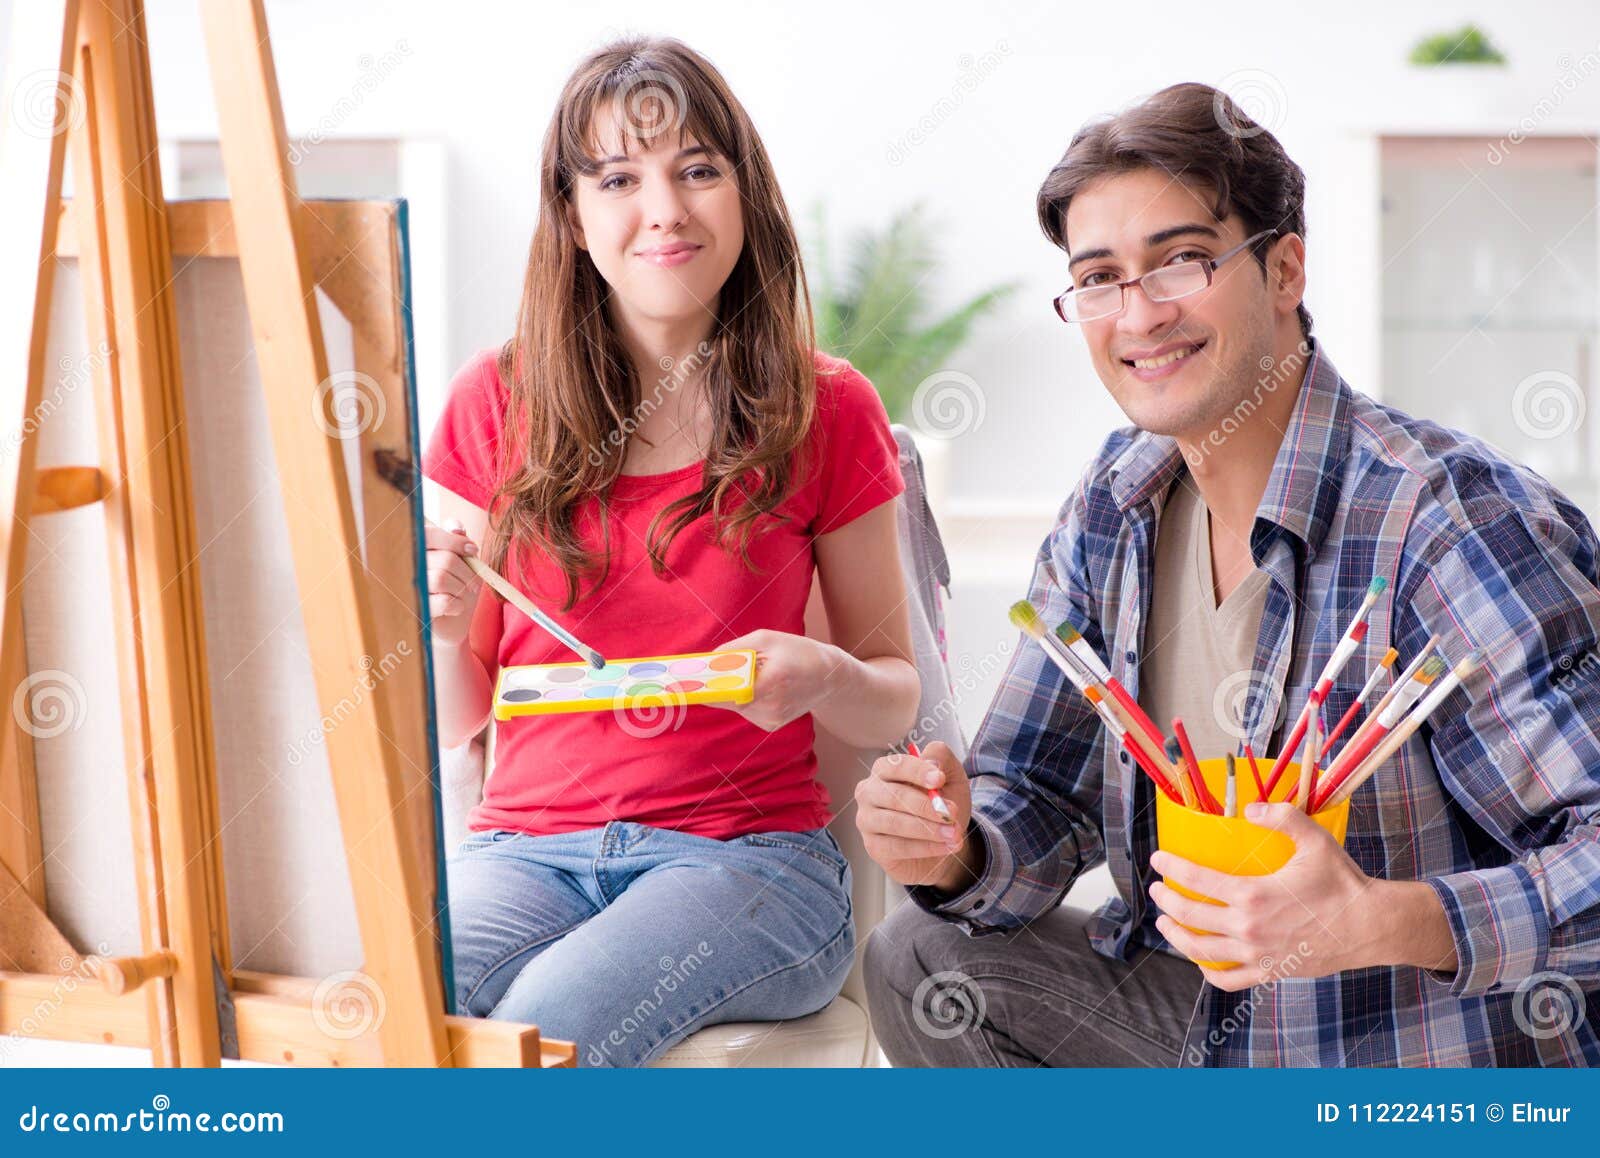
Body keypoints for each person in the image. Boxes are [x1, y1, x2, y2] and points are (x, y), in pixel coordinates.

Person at [859, 82, 1600, 1066]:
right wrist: (953, 844)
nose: (1139, 314)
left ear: (1284, 267)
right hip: (1218, 1036)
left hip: (1411, 1066)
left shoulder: (1448, 524)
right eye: (1100, 279)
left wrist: (1380, 919)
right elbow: (1028, 794)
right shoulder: (1114, 507)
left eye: (1180, 262)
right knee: (924, 956)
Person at [422, 36, 919, 1066]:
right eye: (618, 178)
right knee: (389, 1005)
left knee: (541, 1036)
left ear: (744, 194)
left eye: (698, 170)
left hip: (748, 866)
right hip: (520, 851)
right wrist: (433, 624)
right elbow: (462, 714)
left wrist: (823, 672)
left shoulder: (827, 407)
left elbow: (893, 694)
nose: (665, 209)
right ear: (571, 214)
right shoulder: (493, 400)